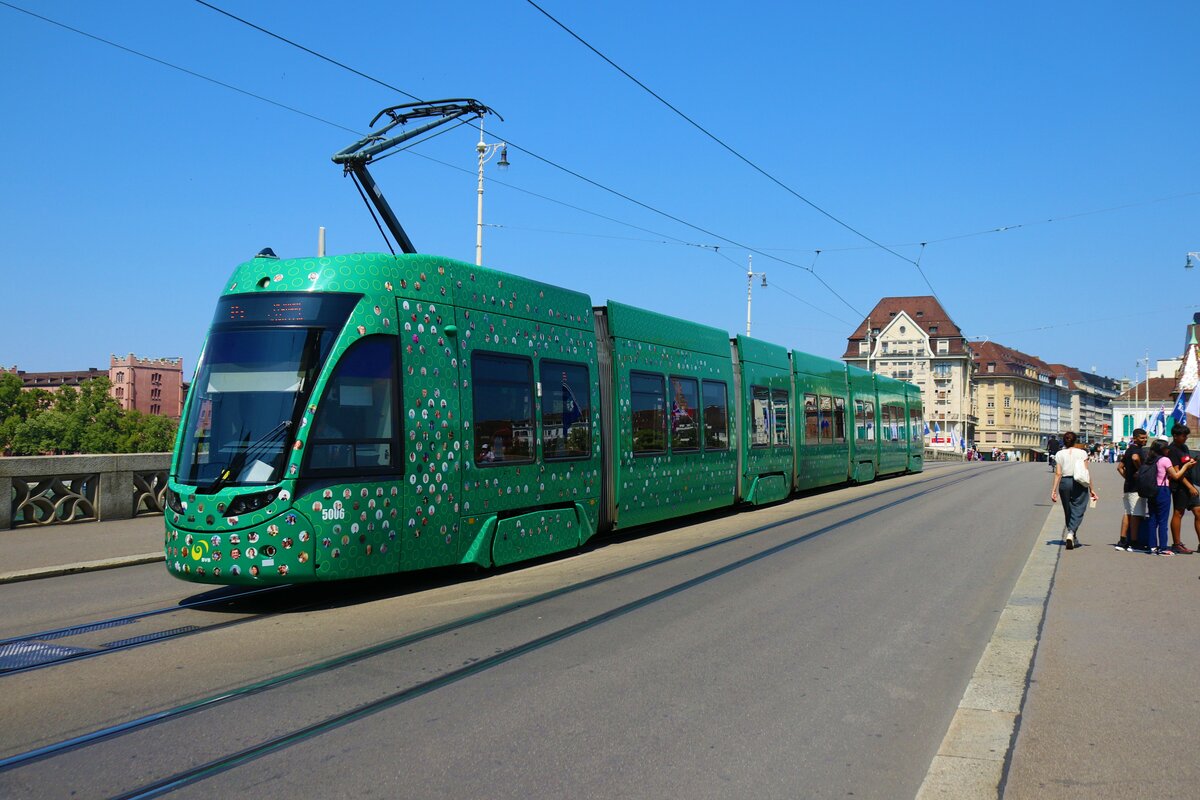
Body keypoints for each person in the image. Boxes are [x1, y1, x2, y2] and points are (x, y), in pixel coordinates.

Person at [1145, 438, 1195, 555]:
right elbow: (1176, 476)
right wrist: (1186, 466)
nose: (1168, 450)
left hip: (1151, 489)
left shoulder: (1149, 458)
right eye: (1166, 448)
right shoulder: (1165, 460)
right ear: (1162, 449)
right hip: (1162, 490)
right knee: (1162, 520)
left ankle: (1152, 547)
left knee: (1153, 519)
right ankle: (1163, 548)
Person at [1051, 431, 1099, 550]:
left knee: (1068, 509)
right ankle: (1071, 533)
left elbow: (1058, 473)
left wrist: (1053, 490)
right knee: (1079, 507)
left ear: (1064, 441)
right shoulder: (1082, 453)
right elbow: (1085, 472)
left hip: (1064, 483)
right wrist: (1092, 489)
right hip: (1079, 482)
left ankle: (1072, 535)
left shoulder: (1059, 454)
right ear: (1075, 441)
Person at [1166, 424, 1199, 554]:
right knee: (1178, 513)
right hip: (1180, 485)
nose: (1185, 438)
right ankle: (1177, 543)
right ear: (1175, 436)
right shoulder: (1172, 450)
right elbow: (1176, 472)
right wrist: (1190, 487)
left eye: (1186, 435)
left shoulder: (1184, 447)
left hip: (1189, 483)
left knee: (1198, 511)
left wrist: (1191, 464)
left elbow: (1185, 464)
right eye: (1183, 436)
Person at [1115, 428, 1148, 551]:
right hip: (1136, 488)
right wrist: (1140, 470)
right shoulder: (1136, 450)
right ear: (1135, 438)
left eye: (1145, 438)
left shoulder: (1128, 450)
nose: (1144, 440)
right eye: (1142, 438)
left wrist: (1127, 477)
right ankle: (1134, 542)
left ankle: (1122, 541)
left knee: (1127, 513)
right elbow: (1135, 458)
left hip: (1128, 485)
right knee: (1136, 515)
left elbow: (1119, 467)